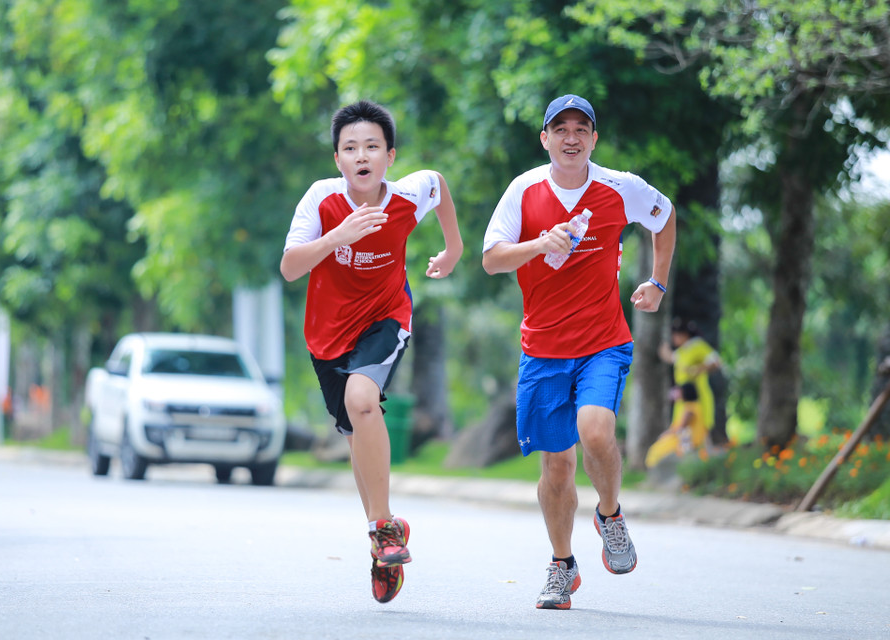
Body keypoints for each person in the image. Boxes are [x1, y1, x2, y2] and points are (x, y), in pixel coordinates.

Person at [482, 94, 676, 610]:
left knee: (595, 431)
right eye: (560, 128)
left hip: (602, 342)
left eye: (581, 129)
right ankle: (562, 566)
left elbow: (665, 215)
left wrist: (657, 281)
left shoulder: (619, 188)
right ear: (544, 139)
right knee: (557, 467)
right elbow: (492, 259)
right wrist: (540, 245)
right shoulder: (523, 191)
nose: (571, 137)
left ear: (594, 139)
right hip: (543, 348)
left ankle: (610, 514)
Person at [280, 100, 463, 604]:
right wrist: (338, 236)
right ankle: (380, 539)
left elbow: (440, 187)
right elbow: (291, 267)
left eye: (372, 147)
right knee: (354, 431)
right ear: (338, 159)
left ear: (389, 155)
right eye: (350, 148)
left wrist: (453, 248)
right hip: (326, 335)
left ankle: (384, 527)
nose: (362, 156)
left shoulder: (407, 195)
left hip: (385, 319)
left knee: (365, 401)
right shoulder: (321, 201)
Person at [658, 317, 722, 447]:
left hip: (698, 397)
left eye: (675, 335)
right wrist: (663, 345)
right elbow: (670, 357)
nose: (673, 338)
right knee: (684, 435)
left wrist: (698, 369)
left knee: (701, 432)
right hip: (683, 400)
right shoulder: (682, 351)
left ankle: (704, 461)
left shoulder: (697, 346)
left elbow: (716, 362)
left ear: (684, 335)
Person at [645, 382, 709, 469]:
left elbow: (681, 427)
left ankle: (656, 471)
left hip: (689, 440)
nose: (678, 394)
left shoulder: (690, 409)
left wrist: (665, 434)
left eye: (680, 392)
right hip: (688, 438)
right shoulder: (693, 406)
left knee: (656, 449)